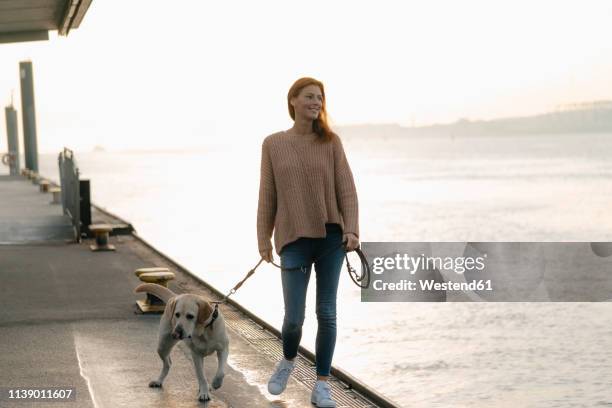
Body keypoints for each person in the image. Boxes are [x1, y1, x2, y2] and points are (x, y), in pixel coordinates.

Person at [256, 77, 360, 408]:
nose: (317, 102)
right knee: (294, 318)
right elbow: (267, 195)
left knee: (326, 312)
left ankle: (322, 385)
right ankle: (288, 360)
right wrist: (263, 237)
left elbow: (347, 190)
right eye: (310, 97)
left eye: (320, 97)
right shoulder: (273, 144)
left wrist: (353, 230)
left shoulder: (331, 142)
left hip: (331, 237)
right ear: (293, 101)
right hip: (293, 240)